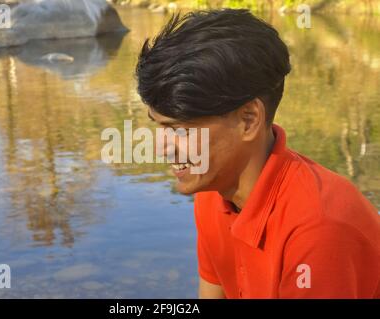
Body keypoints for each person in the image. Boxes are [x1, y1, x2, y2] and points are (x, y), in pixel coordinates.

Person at [135, 9, 380, 298]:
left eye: (180, 130)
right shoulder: (213, 192)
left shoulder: (319, 229)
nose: (162, 147)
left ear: (248, 120)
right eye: (160, 127)